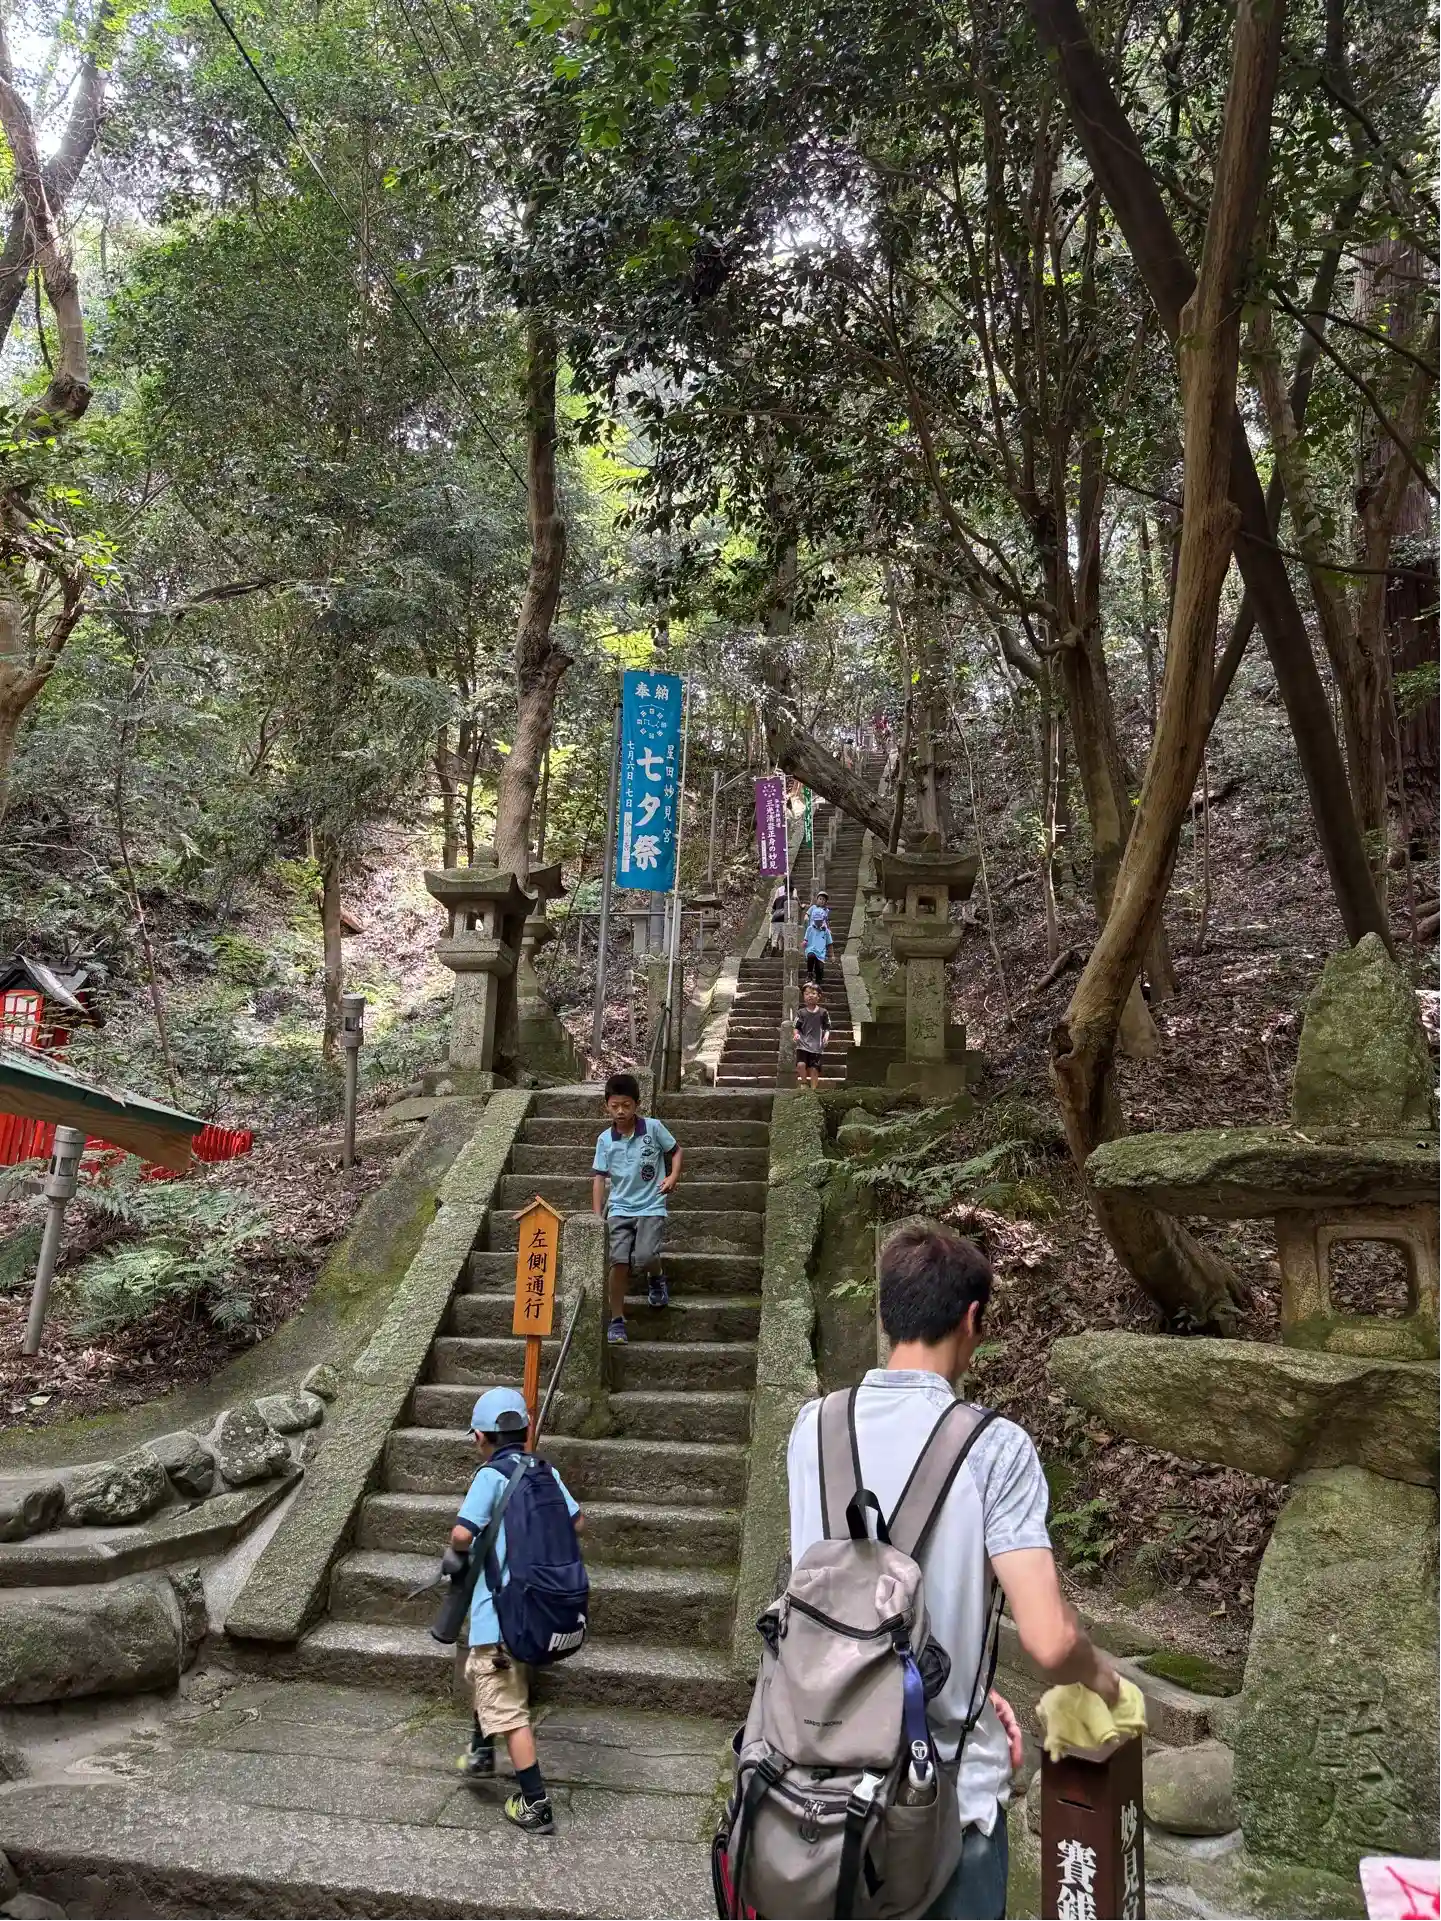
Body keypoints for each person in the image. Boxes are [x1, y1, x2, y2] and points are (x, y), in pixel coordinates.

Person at [786, 1223, 1121, 1920]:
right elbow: (1050, 1641)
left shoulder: (812, 1427)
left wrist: (965, 1676)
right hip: (942, 1800)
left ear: (885, 1314)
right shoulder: (996, 1447)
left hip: (815, 1794)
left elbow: (839, 1596)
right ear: (972, 1319)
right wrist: (1103, 1680)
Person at [451, 1387, 585, 1836]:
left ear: (480, 1438)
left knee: (506, 1706)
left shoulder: (490, 1477)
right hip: (535, 1605)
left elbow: (461, 1535)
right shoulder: (546, 1471)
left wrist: (464, 1552)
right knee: (487, 1679)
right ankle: (480, 1752)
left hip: (497, 1610)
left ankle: (535, 1802)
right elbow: (577, 1521)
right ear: (525, 1432)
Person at [591, 1070, 683, 1345]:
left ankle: (656, 1275)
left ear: (637, 1104)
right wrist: (597, 1216)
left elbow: (676, 1151)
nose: (620, 1111)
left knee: (644, 1256)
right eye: (615, 1106)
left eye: (626, 1105)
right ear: (606, 1106)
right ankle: (616, 1320)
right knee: (618, 1261)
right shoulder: (605, 1140)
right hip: (619, 1208)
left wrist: (673, 1176)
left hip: (651, 1204)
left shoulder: (653, 1128)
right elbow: (599, 1178)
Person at [793, 980, 830, 1091]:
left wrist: (826, 1037)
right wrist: (796, 1035)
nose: (810, 996)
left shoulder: (823, 1012)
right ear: (804, 996)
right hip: (803, 1044)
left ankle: (813, 1090)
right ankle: (804, 1083)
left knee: (814, 1069)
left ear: (819, 996)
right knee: (800, 1064)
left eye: (813, 993)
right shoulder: (801, 1012)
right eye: (807, 993)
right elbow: (796, 1027)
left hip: (816, 1045)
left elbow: (827, 1027)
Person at [803, 891, 832, 985]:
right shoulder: (813, 907)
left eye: (824, 900)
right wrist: (806, 917)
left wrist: (828, 929)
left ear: (826, 902)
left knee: (819, 960)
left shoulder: (826, 911)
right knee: (811, 954)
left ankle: (819, 975)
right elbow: (807, 914)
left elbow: (826, 921)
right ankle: (810, 973)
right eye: (820, 899)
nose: (822, 901)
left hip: (821, 932)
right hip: (812, 932)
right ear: (817, 899)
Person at [768, 879, 790, 956]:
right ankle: (783, 951)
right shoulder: (789, 900)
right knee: (784, 936)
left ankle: (774, 946)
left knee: (775, 936)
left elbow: (773, 910)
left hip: (775, 919)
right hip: (783, 919)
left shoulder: (777, 899)